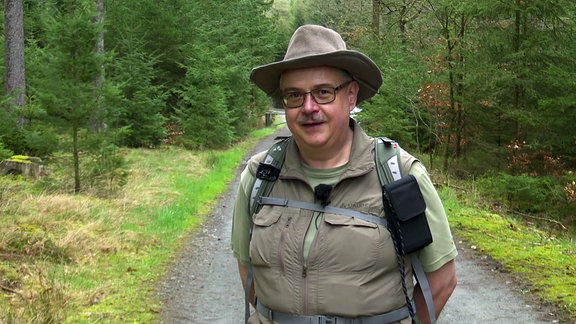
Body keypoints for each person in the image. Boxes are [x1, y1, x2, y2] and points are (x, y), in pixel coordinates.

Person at [231, 24, 457, 324]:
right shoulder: (261, 176)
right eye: (294, 95)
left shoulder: (399, 174)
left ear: (351, 96)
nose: (308, 107)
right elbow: (248, 270)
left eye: (323, 92)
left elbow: (440, 282)